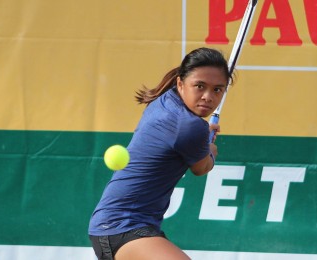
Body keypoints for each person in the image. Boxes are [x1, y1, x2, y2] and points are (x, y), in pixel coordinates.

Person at [88, 47, 233, 260]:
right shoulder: (190, 126)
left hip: (119, 226)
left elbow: (181, 134)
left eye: (217, 90)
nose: (208, 97)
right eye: (199, 86)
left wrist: (203, 138)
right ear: (181, 84)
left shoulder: (166, 100)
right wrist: (210, 148)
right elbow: (201, 167)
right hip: (121, 226)